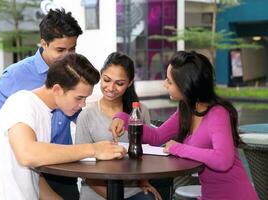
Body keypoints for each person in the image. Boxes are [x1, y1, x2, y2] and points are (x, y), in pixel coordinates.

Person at [111, 51, 259, 200]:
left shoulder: (218, 114)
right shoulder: (186, 110)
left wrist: (178, 148)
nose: (164, 84)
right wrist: (123, 117)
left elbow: (223, 160)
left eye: (169, 81)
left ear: (186, 85)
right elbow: (157, 137)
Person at [0, 53, 126, 200]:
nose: (83, 104)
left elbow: (32, 175)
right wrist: (94, 149)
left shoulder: (44, 112)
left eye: (85, 98)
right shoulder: (22, 103)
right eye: (79, 98)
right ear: (57, 90)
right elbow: (27, 155)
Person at [0, 9, 83, 199]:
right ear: (43, 43)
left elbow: (80, 115)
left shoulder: (74, 71)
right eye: (61, 50)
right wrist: (27, 148)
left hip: (64, 169)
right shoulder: (14, 77)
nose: (68, 57)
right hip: (27, 170)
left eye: (73, 49)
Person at [75, 52, 163, 200]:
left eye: (119, 83)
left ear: (129, 83)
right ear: (101, 75)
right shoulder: (86, 115)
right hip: (98, 193)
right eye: (106, 80)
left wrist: (144, 181)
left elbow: (146, 154)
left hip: (134, 190)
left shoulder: (140, 111)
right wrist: (115, 197)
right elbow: (83, 168)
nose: (111, 87)